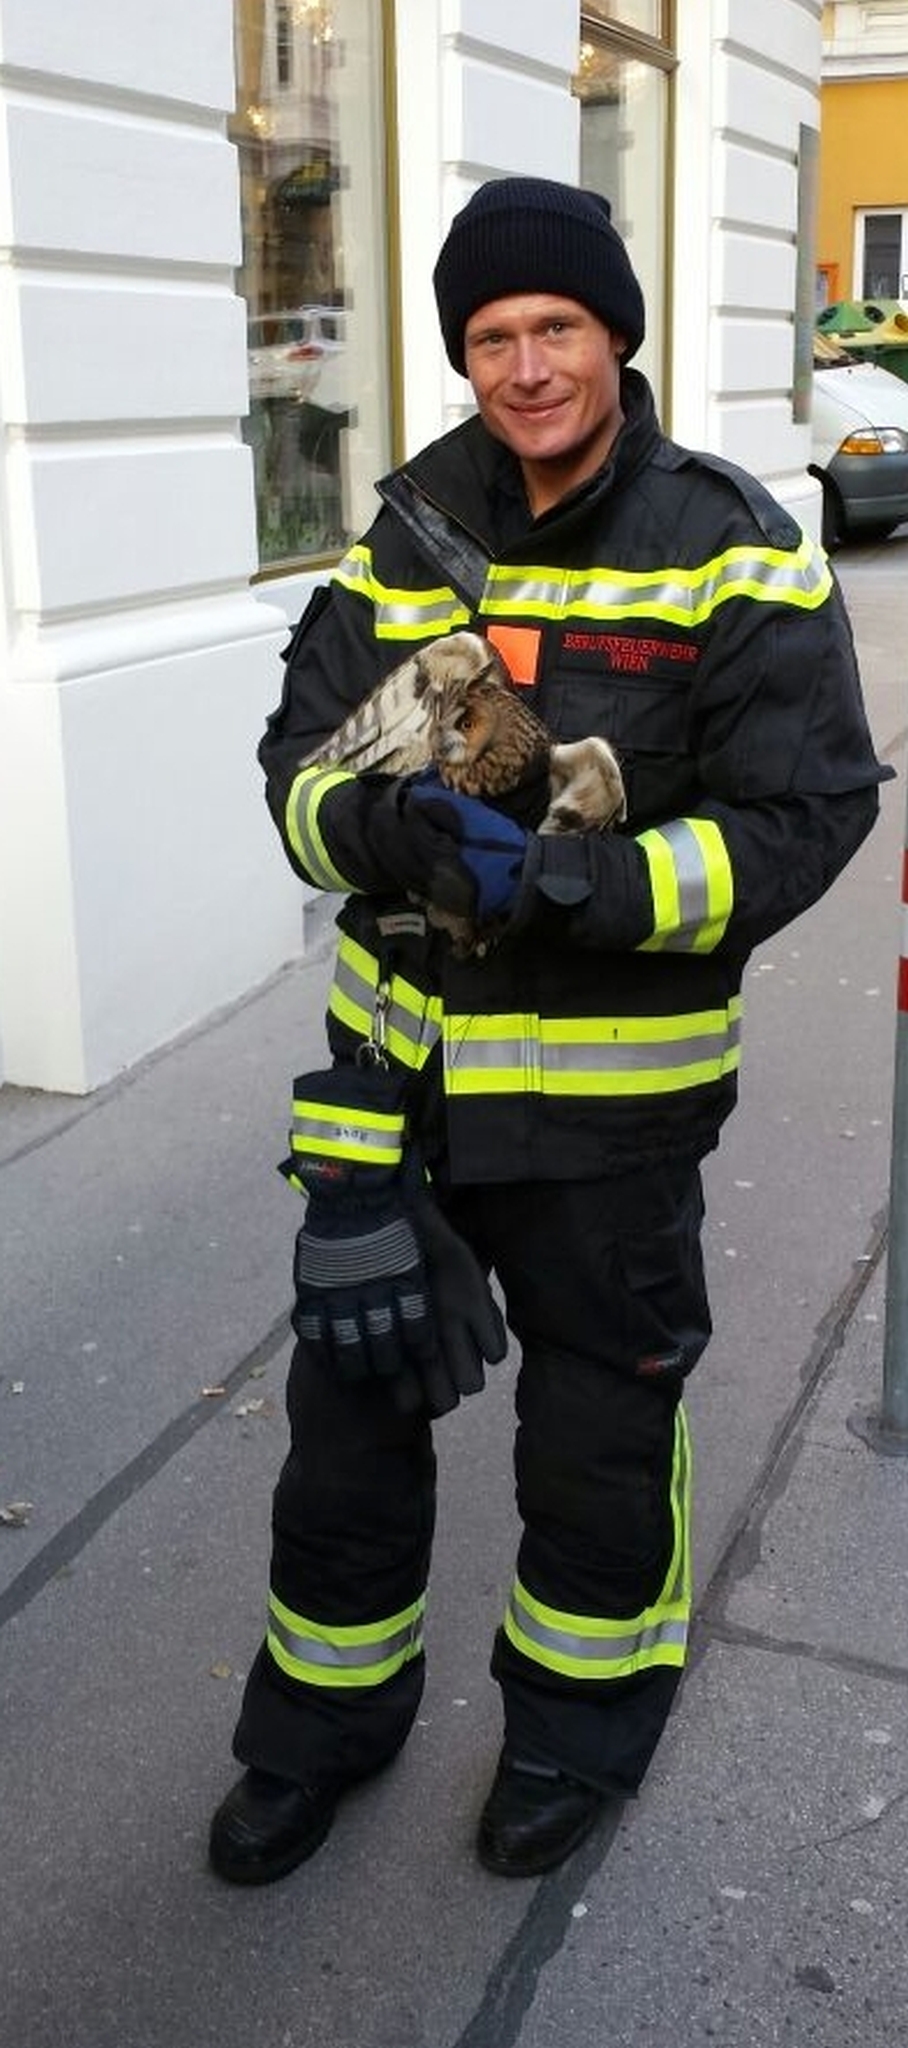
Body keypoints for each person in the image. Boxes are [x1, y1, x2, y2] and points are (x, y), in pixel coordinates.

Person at [208, 177, 888, 1886]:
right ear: (466, 356)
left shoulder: (729, 536)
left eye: (555, 329)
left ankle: (578, 1735)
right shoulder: (405, 530)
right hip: (397, 1102)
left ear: (615, 337)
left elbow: (809, 813)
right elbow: (295, 773)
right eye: (492, 337)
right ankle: (321, 1729)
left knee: (599, 1444)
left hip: (610, 1122)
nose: (525, 368)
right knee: (346, 1441)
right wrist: (372, 834)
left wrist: (584, 891)